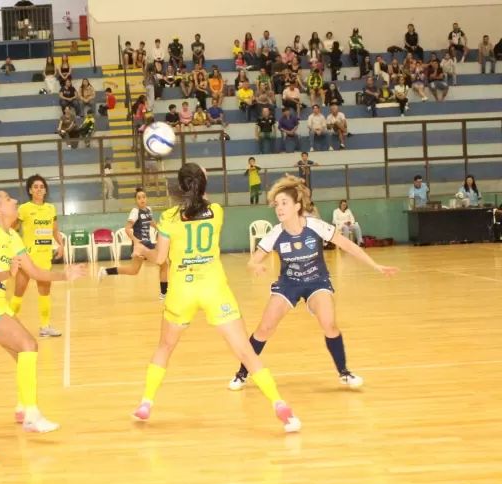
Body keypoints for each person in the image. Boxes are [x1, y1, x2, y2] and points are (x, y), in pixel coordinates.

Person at [129, 164, 300, 432]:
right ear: (202, 183)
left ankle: (146, 403)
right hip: (214, 287)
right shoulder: (216, 212)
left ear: (181, 186)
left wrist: (142, 250)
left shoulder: (168, 218)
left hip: (181, 289)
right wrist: (201, 178)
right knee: (245, 350)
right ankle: (281, 407)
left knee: (165, 347)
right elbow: (202, 197)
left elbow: (160, 259)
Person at [227, 175, 397, 392]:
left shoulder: (316, 226)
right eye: (277, 204)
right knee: (264, 328)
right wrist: (255, 266)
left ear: (297, 206)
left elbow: (348, 246)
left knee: (329, 324)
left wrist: (375, 265)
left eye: (284, 203)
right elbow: (252, 260)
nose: (279, 208)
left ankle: (344, 372)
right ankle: (242, 373)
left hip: (317, 281)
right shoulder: (276, 233)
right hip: (288, 284)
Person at [0, 189, 86, 432]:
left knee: (21, 355)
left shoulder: (11, 235)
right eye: (6, 199)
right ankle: (32, 416)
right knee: (29, 345)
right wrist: (8, 273)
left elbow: (34, 271)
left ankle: (22, 407)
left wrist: (64, 275)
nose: (14, 200)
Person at [9, 175, 67, 337]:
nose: (39, 189)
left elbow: (55, 230)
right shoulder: (24, 209)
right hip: (26, 258)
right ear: (30, 190)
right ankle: (8, 325)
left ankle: (45, 326)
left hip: (44, 257)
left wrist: (61, 245)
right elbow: (12, 230)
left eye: (42, 186)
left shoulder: (51, 209)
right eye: (36, 186)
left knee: (45, 292)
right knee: (19, 292)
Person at [97, 187, 169, 299]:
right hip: (141, 245)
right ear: (136, 200)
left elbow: (151, 222)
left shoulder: (148, 210)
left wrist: (159, 229)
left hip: (148, 243)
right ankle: (164, 293)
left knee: (133, 270)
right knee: (164, 264)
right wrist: (135, 241)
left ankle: (106, 271)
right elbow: (127, 229)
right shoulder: (135, 212)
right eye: (139, 198)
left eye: (144, 197)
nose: (142, 199)